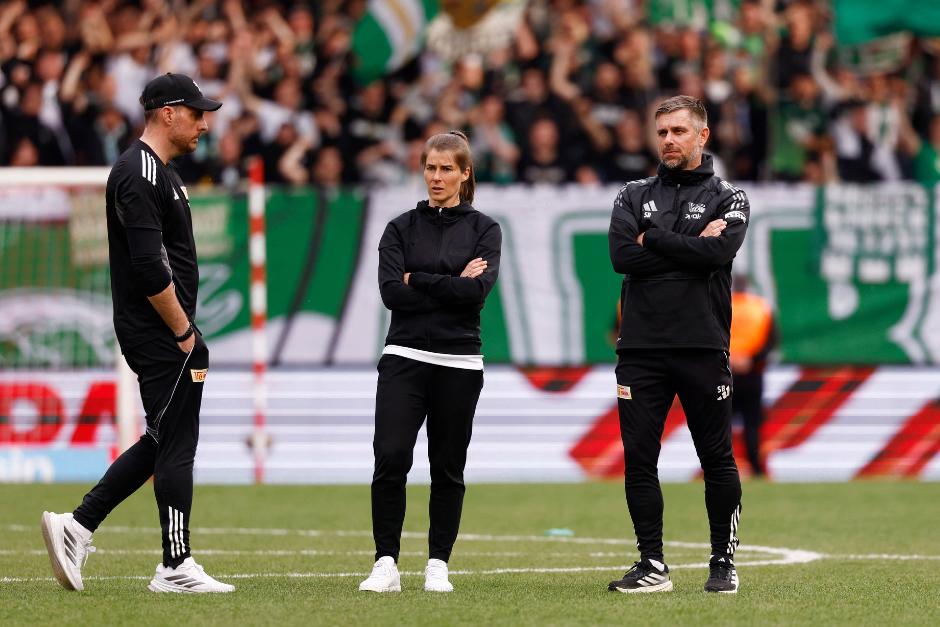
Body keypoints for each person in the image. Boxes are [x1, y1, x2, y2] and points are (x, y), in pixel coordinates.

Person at [41, 73, 234, 594]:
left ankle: (76, 528)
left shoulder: (161, 173)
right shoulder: (137, 172)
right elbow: (149, 269)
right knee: (176, 443)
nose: (204, 123)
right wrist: (183, 333)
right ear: (166, 112)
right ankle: (176, 564)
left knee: (161, 438)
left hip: (164, 331)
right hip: (159, 332)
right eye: (196, 112)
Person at [606, 95, 749, 594]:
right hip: (640, 347)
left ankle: (722, 563)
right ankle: (652, 565)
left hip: (702, 344)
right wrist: (691, 243)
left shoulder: (729, 197)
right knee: (639, 457)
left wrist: (656, 238)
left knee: (716, 457)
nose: (668, 140)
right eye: (662, 131)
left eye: (679, 131)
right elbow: (622, 256)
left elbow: (719, 253)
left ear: (702, 136)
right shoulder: (631, 192)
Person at [358, 131, 501, 593]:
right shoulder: (399, 227)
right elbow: (389, 293)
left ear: (464, 174)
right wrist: (449, 283)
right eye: (430, 167)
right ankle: (385, 563)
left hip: (459, 362)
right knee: (391, 457)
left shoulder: (485, 230)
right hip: (404, 357)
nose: (436, 177)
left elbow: (475, 294)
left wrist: (417, 279)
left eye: (446, 169)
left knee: (447, 465)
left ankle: (438, 562)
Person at [730, 276, 776, 477]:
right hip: (752, 374)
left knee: (720, 425)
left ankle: (720, 469)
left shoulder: (718, 305)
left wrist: (729, 358)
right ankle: (756, 468)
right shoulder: (760, 308)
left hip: (724, 373)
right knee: (752, 425)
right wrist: (751, 359)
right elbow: (771, 342)